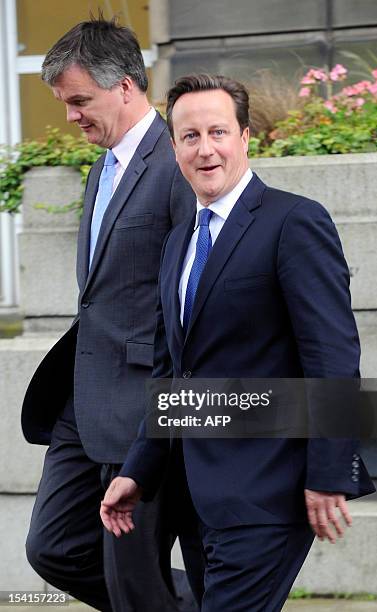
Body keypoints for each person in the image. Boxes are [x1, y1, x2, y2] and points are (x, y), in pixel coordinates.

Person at [100, 74, 376, 611]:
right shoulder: (179, 239)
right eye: (190, 136)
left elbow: (334, 358)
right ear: (174, 147)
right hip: (196, 498)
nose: (206, 150)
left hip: (267, 491)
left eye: (218, 132)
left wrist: (328, 474)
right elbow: (170, 371)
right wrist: (139, 467)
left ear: (246, 137)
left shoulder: (294, 222)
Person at [22, 17, 203, 612]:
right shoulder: (102, 167)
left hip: (146, 409)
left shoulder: (182, 164)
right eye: (65, 103)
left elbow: (199, 302)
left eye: (80, 101)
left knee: (133, 574)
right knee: (53, 549)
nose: (70, 116)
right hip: (83, 400)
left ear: (126, 86)